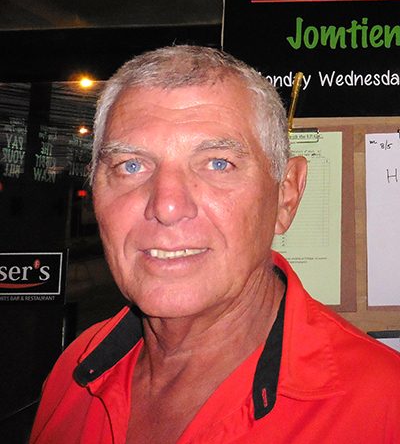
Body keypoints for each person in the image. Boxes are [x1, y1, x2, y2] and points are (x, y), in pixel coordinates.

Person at [30, 45, 400, 444]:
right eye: (130, 166)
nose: (167, 206)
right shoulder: (74, 373)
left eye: (218, 163)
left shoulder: (381, 409)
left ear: (286, 196)